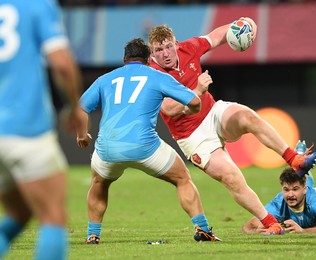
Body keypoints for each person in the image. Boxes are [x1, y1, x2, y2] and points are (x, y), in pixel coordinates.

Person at [148, 20, 316, 235]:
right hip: (192, 137)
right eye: (158, 50)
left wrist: (241, 23)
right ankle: (270, 223)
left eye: (168, 46)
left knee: (248, 116)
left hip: (212, 112)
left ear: (176, 43)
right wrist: (198, 90)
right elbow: (169, 109)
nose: (165, 53)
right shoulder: (153, 74)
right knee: (232, 178)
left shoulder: (189, 48)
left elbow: (217, 35)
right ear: (152, 53)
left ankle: (294, 159)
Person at [77, 38, 220, 244]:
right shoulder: (156, 75)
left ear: (124, 59)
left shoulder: (105, 79)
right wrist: (195, 103)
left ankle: (93, 235)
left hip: (108, 148)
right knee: (182, 178)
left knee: (99, 183)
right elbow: (193, 101)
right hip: (145, 147)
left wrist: (82, 134)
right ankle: (203, 230)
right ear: (148, 59)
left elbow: (80, 109)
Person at [0, 0, 86, 259]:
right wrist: (74, 107)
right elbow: (61, 63)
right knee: (52, 215)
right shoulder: (35, 5)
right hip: (24, 126)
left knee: (19, 212)